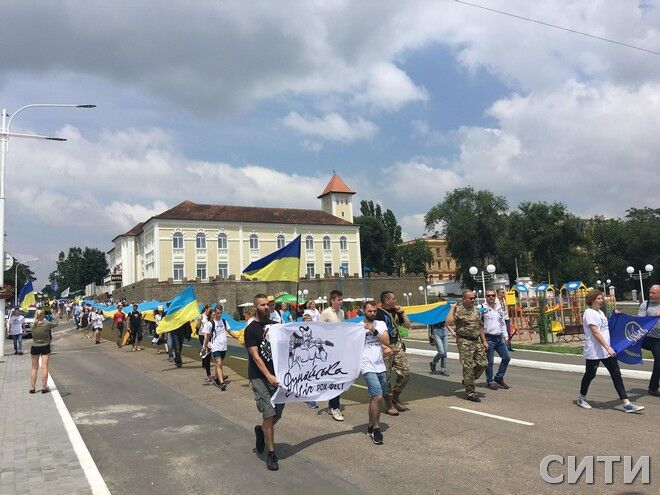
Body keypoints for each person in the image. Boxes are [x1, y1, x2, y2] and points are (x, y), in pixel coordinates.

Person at [577, 289, 644, 413]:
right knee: (590, 374)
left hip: (606, 349)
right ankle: (582, 398)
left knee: (616, 374)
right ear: (591, 300)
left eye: (601, 298)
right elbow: (595, 332)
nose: (601, 300)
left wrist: (616, 316)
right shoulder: (589, 313)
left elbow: (606, 327)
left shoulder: (600, 313)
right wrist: (607, 347)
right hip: (594, 351)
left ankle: (626, 403)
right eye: (598, 298)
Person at [245, 294, 282, 471]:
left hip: (278, 376)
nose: (266, 307)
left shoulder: (276, 327)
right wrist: (268, 376)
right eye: (262, 305)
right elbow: (256, 356)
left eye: (268, 304)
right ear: (256, 307)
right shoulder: (251, 329)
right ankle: (271, 454)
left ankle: (261, 430)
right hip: (259, 377)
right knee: (269, 413)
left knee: (276, 415)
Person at [446, 290, 488, 403]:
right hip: (464, 341)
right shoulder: (458, 310)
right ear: (464, 299)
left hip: (476, 341)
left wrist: (484, 341)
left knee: (483, 364)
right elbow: (448, 322)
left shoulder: (476, 310)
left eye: (474, 298)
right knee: (468, 367)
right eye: (471, 298)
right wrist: (452, 308)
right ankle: (471, 392)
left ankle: (468, 381)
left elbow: (480, 326)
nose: (473, 300)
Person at [360, 301, 392, 444]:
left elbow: (386, 340)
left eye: (374, 311)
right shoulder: (357, 327)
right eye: (369, 311)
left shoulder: (380, 324)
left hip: (380, 365)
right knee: (378, 396)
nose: (372, 313)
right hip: (366, 366)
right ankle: (376, 429)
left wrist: (373, 330)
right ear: (363, 311)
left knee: (376, 398)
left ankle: (370, 424)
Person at [375, 291, 411, 415]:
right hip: (385, 347)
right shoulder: (378, 313)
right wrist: (383, 346)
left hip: (397, 346)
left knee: (405, 373)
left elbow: (408, 325)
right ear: (387, 300)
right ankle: (389, 403)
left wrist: (403, 313)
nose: (396, 301)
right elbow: (375, 333)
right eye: (393, 299)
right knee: (387, 378)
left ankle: (395, 395)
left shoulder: (396, 312)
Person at [320, 289, 346, 421]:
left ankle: (332, 405)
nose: (341, 302)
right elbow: (320, 330)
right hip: (329, 350)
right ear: (332, 300)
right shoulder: (325, 313)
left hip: (339, 349)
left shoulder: (341, 313)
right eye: (339, 300)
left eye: (341, 300)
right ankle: (335, 407)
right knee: (334, 378)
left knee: (337, 378)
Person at [481, 289, 511, 390]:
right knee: (489, 362)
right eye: (488, 296)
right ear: (486, 297)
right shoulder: (482, 308)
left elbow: (502, 322)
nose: (491, 297)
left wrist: (506, 336)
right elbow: (479, 325)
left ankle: (499, 377)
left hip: (499, 337)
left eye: (493, 295)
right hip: (489, 337)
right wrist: (483, 340)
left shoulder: (499, 308)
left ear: (495, 296)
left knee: (506, 358)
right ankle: (490, 381)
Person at [203, 306, 237, 390]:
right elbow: (207, 337)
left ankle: (216, 378)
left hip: (223, 347)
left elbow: (230, 331)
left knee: (219, 364)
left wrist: (238, 337)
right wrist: (204, 346)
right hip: (215, 347)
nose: (219, 314)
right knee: (219, 363)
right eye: (218, 313)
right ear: (214, 312)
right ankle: (221, 383)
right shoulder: (210, 324)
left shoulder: (224, 322)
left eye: (221, 313)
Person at [639, 285, 660, 397]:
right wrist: (653, 318)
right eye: (650, 292)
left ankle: (653, 388)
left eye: (653, 293)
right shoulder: (645, 304)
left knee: (658, 362)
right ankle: (653, 388)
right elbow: (640, 320)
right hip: (650, 338)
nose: (651, 295)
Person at [29, 310, 56, 394]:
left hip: (35, 346)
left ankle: (32, 388)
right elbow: (56, 323)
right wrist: (54, 315)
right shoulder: (47, 324)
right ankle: (44, 387)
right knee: (44, 367)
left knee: (34, 368)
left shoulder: (32, 325)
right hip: (45, 346)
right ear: (43, 316)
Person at [429, 296, 452, 376]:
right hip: (436, 332)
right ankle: (433, 363)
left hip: (444, 331)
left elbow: (446, 323)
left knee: (445, 353)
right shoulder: (433, 312)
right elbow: (430, 323)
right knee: (441, 352)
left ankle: (443, 369)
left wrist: (452, 331)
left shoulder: (444, 312)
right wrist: (431, 335)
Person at [199, 307, 214, 382]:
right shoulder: (203, 317)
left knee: (218, 357)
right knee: (207, 357)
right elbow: (198, 326)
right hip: (204, 336)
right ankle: (209, 375)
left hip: (213, 339)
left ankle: (219, 375)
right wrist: (205, 344)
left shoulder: (216, 321)